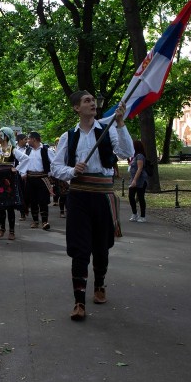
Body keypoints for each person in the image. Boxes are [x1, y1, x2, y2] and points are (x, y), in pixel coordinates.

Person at [51, 91, 132, 321]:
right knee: (80, 248)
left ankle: (100, 284)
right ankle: (78, 301)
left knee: (101, 246)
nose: (92, 103)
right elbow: (55, 168)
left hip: (102, 196)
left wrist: (120, 123)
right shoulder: (68, 136)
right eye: (86, 101)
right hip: (78, 196)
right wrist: (71, 171)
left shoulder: (106, 131)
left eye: (93, 101)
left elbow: (127, 153)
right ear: (76, 108)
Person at [0, 126, 25, 240]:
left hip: (9, 179)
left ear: (5, 137)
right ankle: (2, 229)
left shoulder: (13, 149)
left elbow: (26, 159)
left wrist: (17, 168)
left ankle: (11, 231)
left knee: (10, 206)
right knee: (1, 206)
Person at [21, 131, 54, 230]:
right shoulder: (27, 151)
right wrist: (23, 173)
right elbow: (22, 163)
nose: (27, 141)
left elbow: (54, 162)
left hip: (42, 178)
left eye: (29, 139)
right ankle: (35, 221)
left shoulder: (46, 150)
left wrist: (50, 174)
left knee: (43, 201)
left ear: (34, 139)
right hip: (30, 178)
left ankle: (45, 222)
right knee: (33, 200)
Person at [128, 140, 148, 223]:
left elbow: (140, 168)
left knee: (140, 197)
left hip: (140, 180)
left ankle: (143, 216)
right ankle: (134, 214)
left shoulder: (140, 156)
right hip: (133, 180)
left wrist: (135, 180)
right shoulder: (134, 156)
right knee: (131, 196)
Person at [14, 133, 30, 222]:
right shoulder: (14, 149)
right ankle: (22, 213)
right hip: (17, 175)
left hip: (28, 175)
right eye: (25, 139)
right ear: (20, 140)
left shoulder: (29, 149)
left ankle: (27, 207)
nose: (26, 141)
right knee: (20, 194)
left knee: (28, 194)